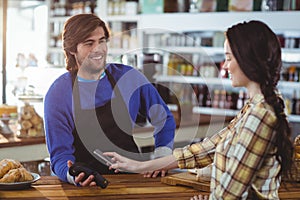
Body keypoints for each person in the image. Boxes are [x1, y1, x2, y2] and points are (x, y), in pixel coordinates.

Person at [104, 20, 295, 199]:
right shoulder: (255, 106)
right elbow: (208, 148)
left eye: (228, 58)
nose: (225, 66)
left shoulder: (260, 115)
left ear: (247, 59)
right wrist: (140, 166)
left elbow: (228, 194)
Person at [44, 13, 176, 186]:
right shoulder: (58, 94)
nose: (98, 49)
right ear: (71, 49)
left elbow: (164, 118)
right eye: (89, 43)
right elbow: (60, 157)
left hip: (133, 180)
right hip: (86, 188)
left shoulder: (129, 78)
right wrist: (72, 175)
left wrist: (162, 157)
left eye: (102, 40)